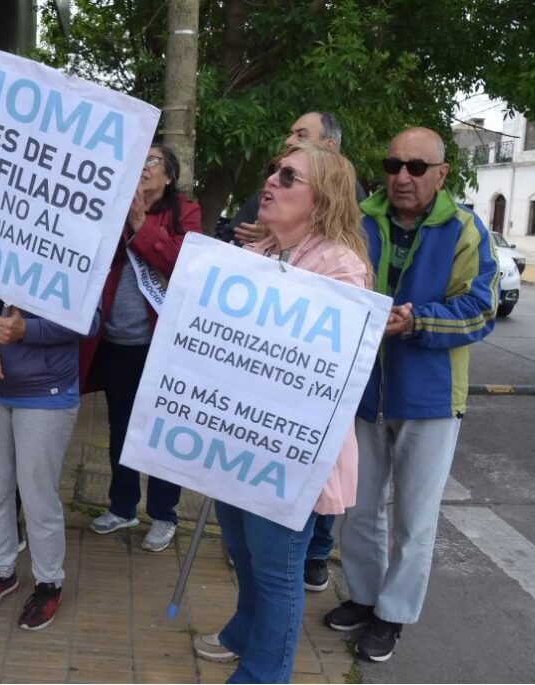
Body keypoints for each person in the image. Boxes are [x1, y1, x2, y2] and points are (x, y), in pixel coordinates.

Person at [192, 141, 372, 683]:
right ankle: (243, 631)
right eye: (273, 171)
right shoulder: (258, 253)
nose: (270, 181)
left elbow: (319, 364)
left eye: (288, 176)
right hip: (238, 437)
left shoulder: (342, 266)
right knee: (242, 551)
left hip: (291, 449)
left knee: (277, 571)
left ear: (322, 200)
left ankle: (263, 674)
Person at [324, 127, 498, 663]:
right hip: (363, 388)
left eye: (417, 167)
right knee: (358, 508)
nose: (402, 176)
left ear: (442, 174)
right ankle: (365, 597)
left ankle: (393, 615)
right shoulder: (359, 219)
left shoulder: (465, 228)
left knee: (414, 519)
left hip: (431, 397)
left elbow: (480, 307)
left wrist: (418, 319)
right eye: (393, 164)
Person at [0, 283, 99, 630]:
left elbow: (90, 321)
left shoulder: (73, 237)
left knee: (38, 497)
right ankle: (1, 570)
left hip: (45, 390)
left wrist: (26, 330)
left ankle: (49, 582)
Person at [81, 143, 202, 552]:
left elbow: (186, 265)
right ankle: (123, 504)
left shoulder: (185, 212)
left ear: (168, 175)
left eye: (152, 161)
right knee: (121, 428)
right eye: (138, 160)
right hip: (115, 340)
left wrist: (140, 225)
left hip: (161, 345)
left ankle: (165, 514)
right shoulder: (109, 207)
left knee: (160, 430)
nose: (143, 168)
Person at [221, 111, 365, 249]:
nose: (288, 141)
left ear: (329, 146)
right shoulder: (271, 186)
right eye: (279, 172)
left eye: (301, 135)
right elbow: (233, 235)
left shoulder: (341, 266)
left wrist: (277, 239)